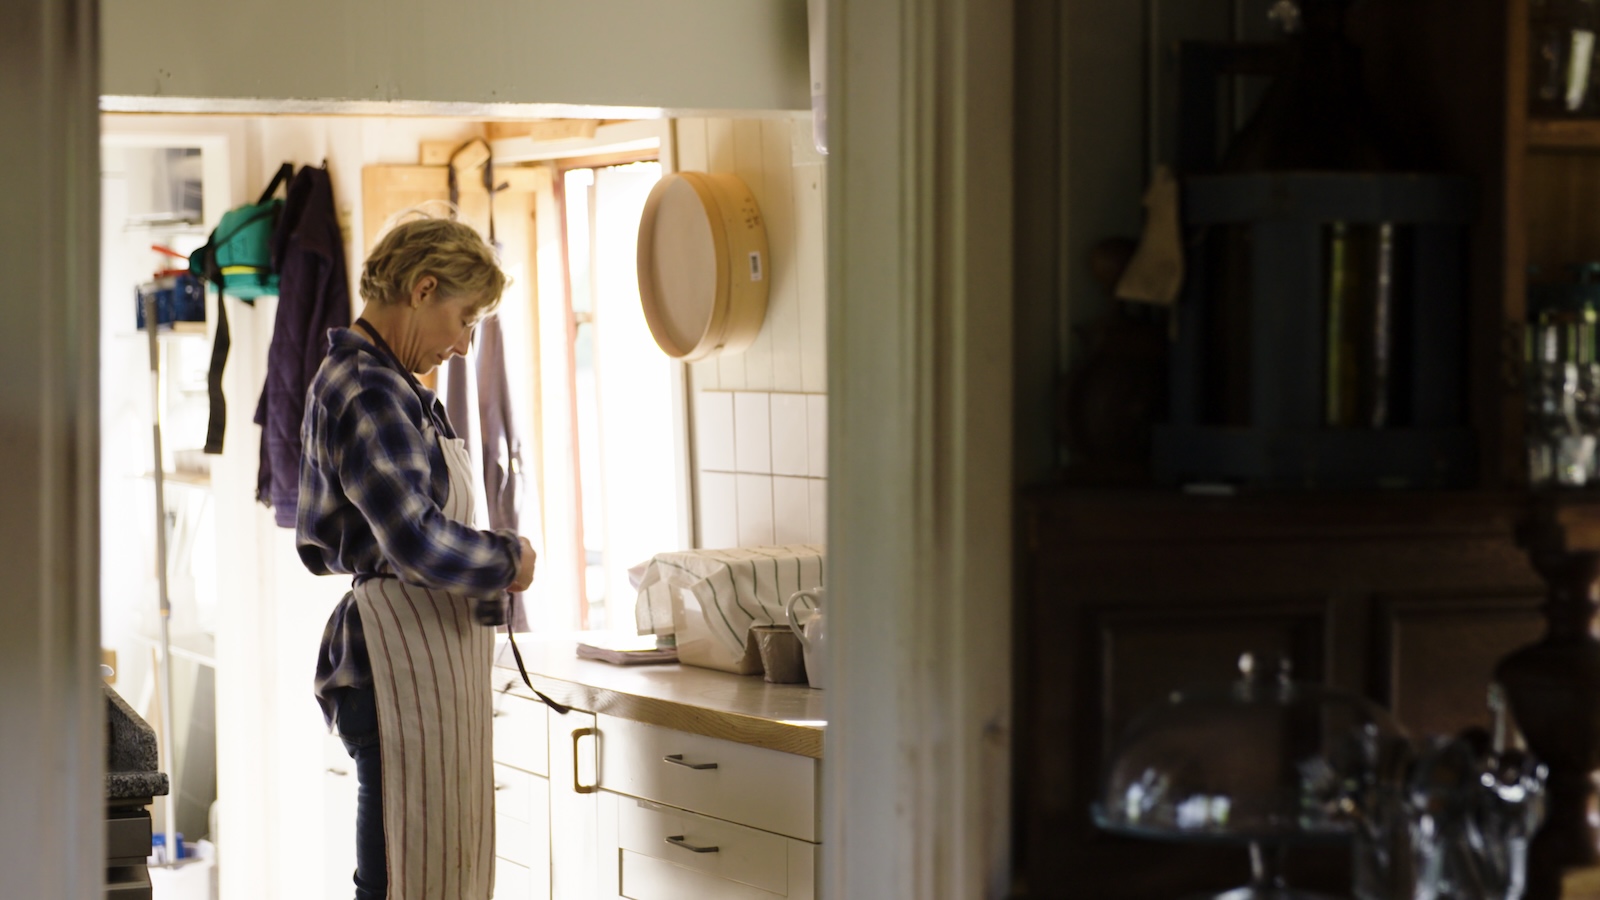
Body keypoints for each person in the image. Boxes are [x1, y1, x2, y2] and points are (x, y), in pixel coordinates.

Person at [296, 215, 538, 900]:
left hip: (419, 662)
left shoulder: (394, 384)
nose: (464, 345)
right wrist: (507, 558)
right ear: (423, 287)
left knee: (430, 877)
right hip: (396, 666)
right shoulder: (368, 388)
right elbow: (416, 541)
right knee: (402, 883)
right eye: (465, 320)